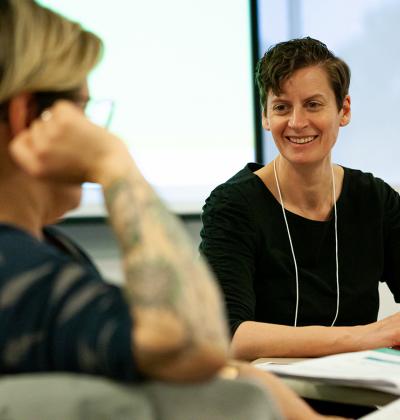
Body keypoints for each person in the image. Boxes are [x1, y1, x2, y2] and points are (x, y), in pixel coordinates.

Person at [0, 2, 344, 419]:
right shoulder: (19, 272)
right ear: (28, 116)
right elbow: (199, 341)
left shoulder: (51, 253)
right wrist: (115, 165)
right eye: (84, 111)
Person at [200, 37, 400, 361]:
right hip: (267, 400)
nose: (296, 122)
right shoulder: (233, 206)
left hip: (361, 393)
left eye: (313, 104)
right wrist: (368, 335)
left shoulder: (374, 199)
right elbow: (230, 335)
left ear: (343, 110)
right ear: (265, 116)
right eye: (281, 107)